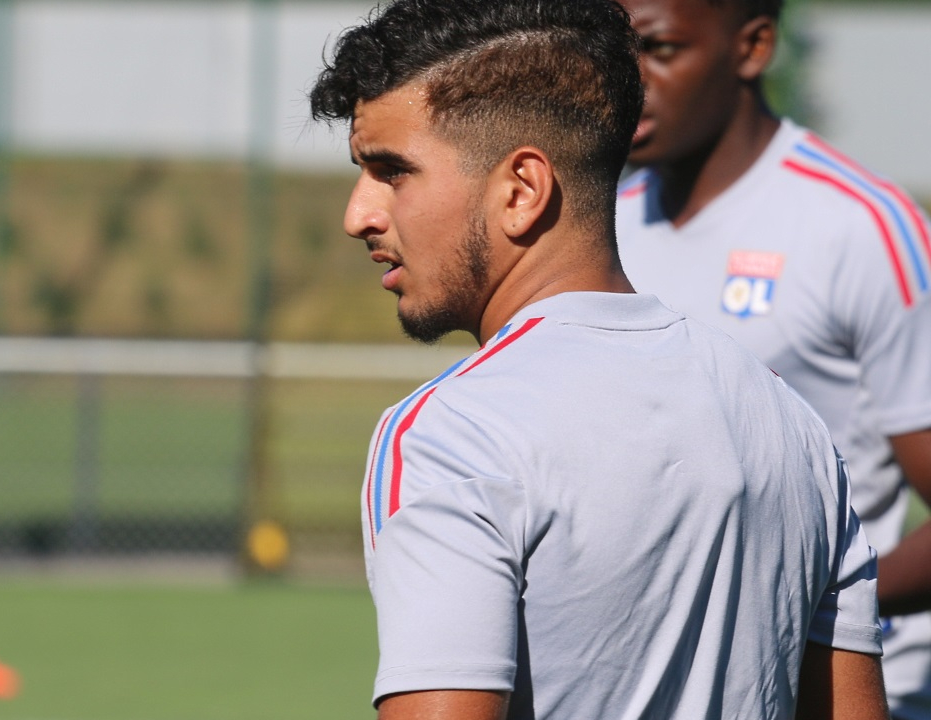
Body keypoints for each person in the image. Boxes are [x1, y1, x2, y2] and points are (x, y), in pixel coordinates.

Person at [308, 0, 887, 717]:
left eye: (391, 170)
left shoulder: (453, 433)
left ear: (521, 191)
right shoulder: (788, 418)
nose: (358, 213)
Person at [613, 0, 931, 715]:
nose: (624, 81)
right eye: (611, 50)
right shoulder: (600, 220)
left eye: (657, 49)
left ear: (752, 48)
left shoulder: (862, 227)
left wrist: (798, 609)